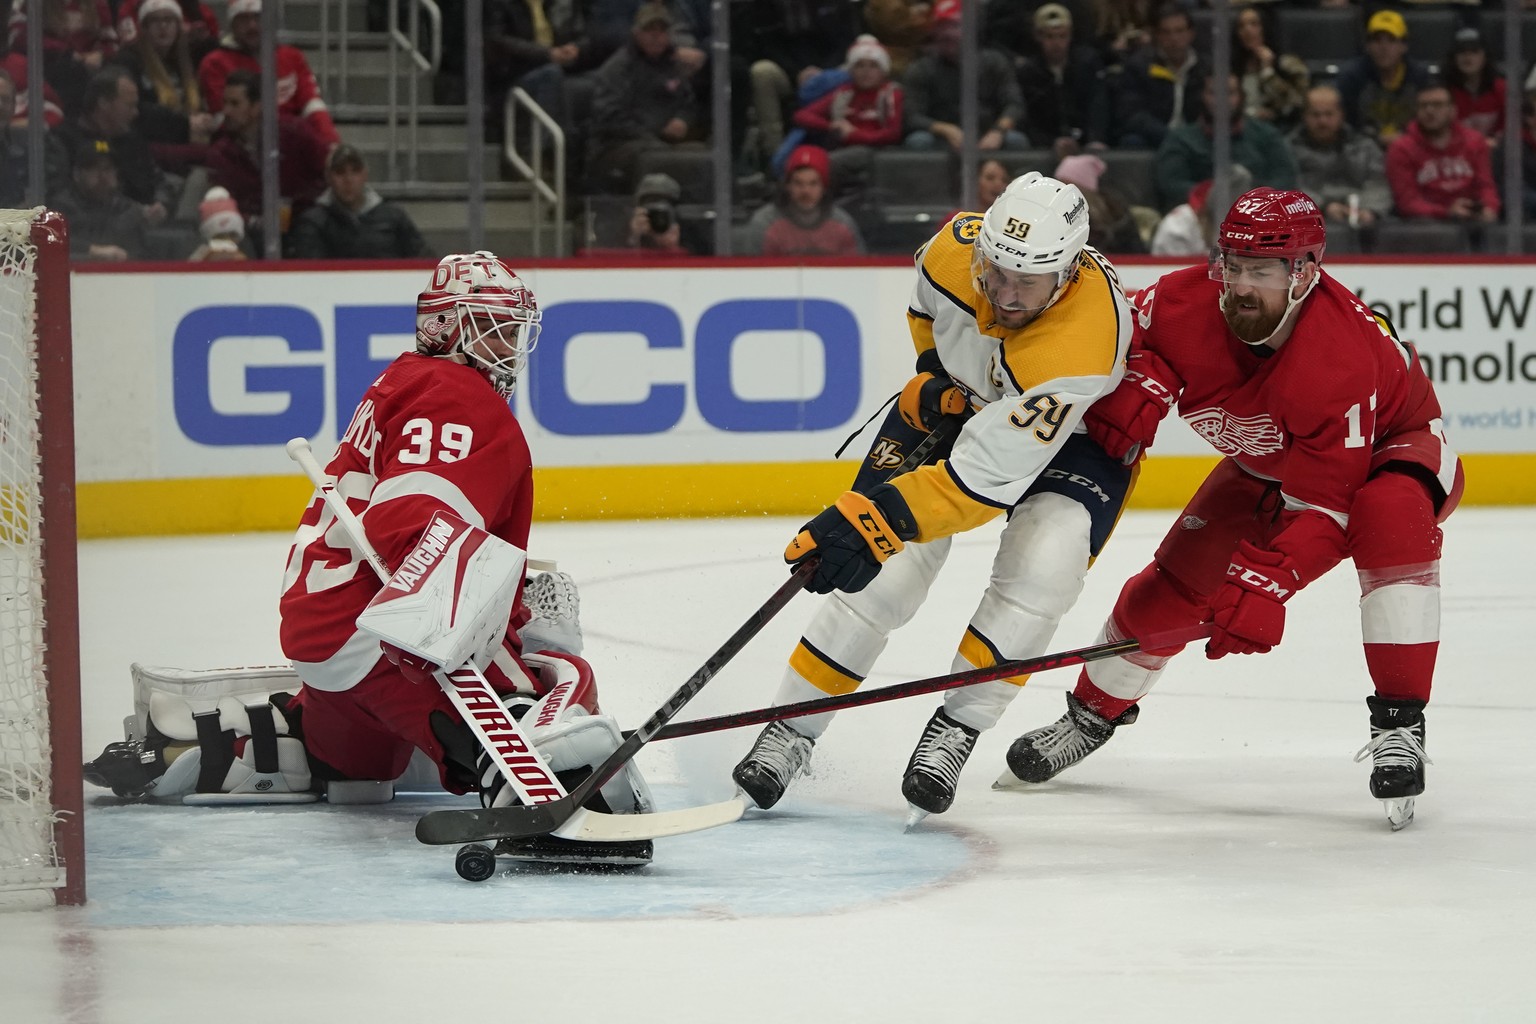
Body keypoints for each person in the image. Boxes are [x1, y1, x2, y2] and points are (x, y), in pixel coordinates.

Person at [83, 253, 654, 866]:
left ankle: (219, 742)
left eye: (513, 330)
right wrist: (461, 638)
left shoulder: (406, 380)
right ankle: (546, 790)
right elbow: (418, 520)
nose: (510, 346)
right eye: (495, 328)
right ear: (450, 328)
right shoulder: (460, 396)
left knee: (361, 764)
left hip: (323, 640)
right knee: (558, 682)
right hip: (380, 632)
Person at [997, 188, 1463, 832]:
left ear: (1304, 273)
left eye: (1261, 271)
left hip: (1392, 452)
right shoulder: (1182, 301)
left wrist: (1271, 582)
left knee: (1388, 514)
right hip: (1265, 462)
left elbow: (1331, 509)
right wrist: (1143, 371)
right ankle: (1088, 717)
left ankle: (1400, 724)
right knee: (1172, 588)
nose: (1240, 285)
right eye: (1232, 265)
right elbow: (1103, 336)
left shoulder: (1341, 356)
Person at [731, 171, 1135, 820]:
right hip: (970, 403)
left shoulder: (1080, 348)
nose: (1001, 293)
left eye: (1024, 282)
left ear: (1065, 274)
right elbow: (927, 307)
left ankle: (957, 727)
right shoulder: (954, 249)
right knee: (881, 581)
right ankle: (792, 727)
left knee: (1043, 569)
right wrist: (935, 376)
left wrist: (877, 517)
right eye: (994, 270)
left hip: (1076, 441)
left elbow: (980, 483)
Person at [584, 2, 701, 194]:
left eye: (662, 31)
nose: (656, 36)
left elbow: (688, 103)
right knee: (657, 157)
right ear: (636, 33)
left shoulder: (672, 65)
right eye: (649, 30)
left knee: (702, 156)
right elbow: (611, 119)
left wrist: (683, 120)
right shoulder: (618, 68)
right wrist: (655, 130)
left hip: (663, 142)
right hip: (615, 146)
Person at [205, 68, 328, 248]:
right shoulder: (221, 152)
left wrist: (303, 208)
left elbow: (328, 170)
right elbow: (222, 206)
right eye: (225, 103)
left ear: (257, 106)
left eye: (235, 104)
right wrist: (254, 221)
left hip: (304, 227)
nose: (226, 111)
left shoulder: (296, 133)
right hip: (249, 236)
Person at [197, 0, 340, 148]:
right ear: (232, 23)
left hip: (294, 146)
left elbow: (312, 106)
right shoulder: (215, 63)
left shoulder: (292, 57)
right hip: (240, 152)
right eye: (244, 19)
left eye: (258, 17)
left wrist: (332, 144)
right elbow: (226, 121)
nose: (252, 25)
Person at [1155, 71, 1296, 212]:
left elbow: (1285, 177)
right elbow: (1172, 184)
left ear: (1241, 96)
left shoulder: (1267, 135)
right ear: (1202, 96)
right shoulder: (1181, 139)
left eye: (1229, 93)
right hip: (1200, 217)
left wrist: (1253, 199)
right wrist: (1213, 196)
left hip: (1260, 215)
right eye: (1213, 93)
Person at [901, 0, 1028, 152]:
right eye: (941, 26)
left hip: (988, 135)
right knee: (918, 141)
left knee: (1016, 141)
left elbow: (1015, 105)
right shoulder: (920, 69)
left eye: (954, 26)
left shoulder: (994, 62)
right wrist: (945, 129)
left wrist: (998, 131)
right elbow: (912, 116)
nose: (947, 33)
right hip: (943, 139)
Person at [111, 0, 214, 174]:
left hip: (184, 145)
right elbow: (136, 111)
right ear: (143, 28)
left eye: (169, 20)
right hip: (149, 150)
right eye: (155, 21)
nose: (163, 27)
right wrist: (185, 124)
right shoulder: (129, 61)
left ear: (178, 26)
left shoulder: (186, 62)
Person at [1385, 81, 1499, 226]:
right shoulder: (1401, 148)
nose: (1429, 110)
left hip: (1472, 223)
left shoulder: (1475, 141)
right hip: (1424, 227)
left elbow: (1485, 186)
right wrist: (1447, 212)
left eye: (1437, 105)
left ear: (1453, 110)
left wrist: (1489, 207)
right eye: (1423, 106)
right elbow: (1408, 203)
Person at [287, 143, 428, 260]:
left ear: (365, 174)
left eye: (355, 171)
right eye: (340, 172)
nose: (348, 179)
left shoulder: (394, 217)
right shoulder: (312, 223)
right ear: (328, 177)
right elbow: (308, 274)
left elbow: (423, 261)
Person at [1289, 84, 1390, 235]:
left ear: (1341, 115)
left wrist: (1369, 210)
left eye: (1329, 114)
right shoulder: (1288, 149)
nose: (1322, 121)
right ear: (1304, 116)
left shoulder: (1365, 147)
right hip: (1307, 224)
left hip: (1362, 219)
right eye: (1315, 115)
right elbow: (1288, 186)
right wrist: (1323, 207)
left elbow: (1379, 182)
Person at [1014, 3, 1110, 159]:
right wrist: (1050, 141)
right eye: (1050, 37)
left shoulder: (1087, 65)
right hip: (1044, 148)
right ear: (1038, 37)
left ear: (1070, 35)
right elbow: (1027, 118)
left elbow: (1097, 105)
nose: (1056, 43)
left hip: (1085, 144)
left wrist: (1095, 138)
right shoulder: (1028, 73)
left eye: (1062, 36)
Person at [741, 143, 864, 256]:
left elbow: (859, 273)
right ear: (787, 185)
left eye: (813, 183)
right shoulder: (765, 223)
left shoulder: (843, 224)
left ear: (824, 187)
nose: (806, 191)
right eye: (798, 183)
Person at [1112, 2, 1205, 149]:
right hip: (1156, 138)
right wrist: (1172, 137)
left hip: (1196, 141)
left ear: (1191, 34)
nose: (1174, 38)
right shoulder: (1139, 66)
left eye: (1179, 31)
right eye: (1166, 32)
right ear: (1157, 36)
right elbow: (1132, 115)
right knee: (1131, 141)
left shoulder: (1205, 68)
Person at [1334, 8, 1429, 146]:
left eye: (1391, 40)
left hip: (1411, 145)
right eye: (1377, 40)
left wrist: (1405, 137)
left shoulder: (1420, 76)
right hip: (1363, 148)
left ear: (1404, 46)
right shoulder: (1352, 77)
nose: (1384, 47)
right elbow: (1346, 126)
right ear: (1367, 46)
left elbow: (1428, 122)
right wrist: (1376, 138)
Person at [53, 137, 148, 260]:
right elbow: (50, 243)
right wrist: (92, 251)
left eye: (108, 168)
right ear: (77, 174)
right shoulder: (61, 208)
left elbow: (139, 255)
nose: (102, 175)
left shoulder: (127, 209)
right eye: (94, 168)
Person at [1230, 4, 1308, 131]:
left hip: (1280, 128)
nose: (1247, 30)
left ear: (1265, 28)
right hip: (1239, 128)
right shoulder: (1231, 66)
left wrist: (1268, 72)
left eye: (1254, 24)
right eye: (1241, 26)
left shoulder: (1290, 63)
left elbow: (1297, 103)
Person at [1442, 27, 1505, 145]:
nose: (1467, 57)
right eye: (1461, 51)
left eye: (1474, 51)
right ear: (1453, 57)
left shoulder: (1501, 88)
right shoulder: (1443, 91)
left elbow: (1513, 128)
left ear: (1485, 56)